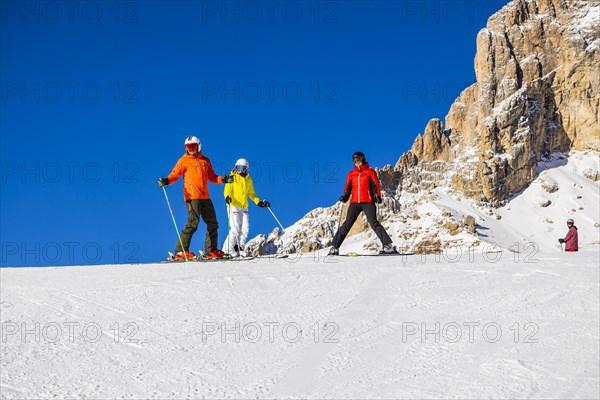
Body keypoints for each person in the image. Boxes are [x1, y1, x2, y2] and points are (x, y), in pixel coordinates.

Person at [158, 136, 234, 260]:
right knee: (193, 223)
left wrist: (224, 179)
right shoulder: (184, 160)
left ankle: (211, 250)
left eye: (193, 147)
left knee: (213, 222)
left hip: (205, 197)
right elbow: (175, 174)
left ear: (199, 146)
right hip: (192, 197)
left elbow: (212, 177)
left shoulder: (205, 161)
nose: (191, 150)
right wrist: (166, 181)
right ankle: (180, 251)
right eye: (188, 147)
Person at [329, 151, 396, 255]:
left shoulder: (370, 172)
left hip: (368, 201)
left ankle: (388, 245)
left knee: (373, 222)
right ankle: (334, 247)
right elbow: (348, 188)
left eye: (358, 160)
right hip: (355, 202)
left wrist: (377, 196)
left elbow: (375, 185)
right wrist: (345, 197)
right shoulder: (351, 174)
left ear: (363, 159)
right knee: (347, 224)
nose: (356, 162)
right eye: (354, 161)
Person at [222, 158, 270, 257]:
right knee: (235, 228)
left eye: (242, 168)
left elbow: (252, 193)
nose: (239, 169)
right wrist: (227, 197)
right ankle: (227, 249)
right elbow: (227, 189)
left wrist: (259, 202)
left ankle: (239, 247)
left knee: (245, 228)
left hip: (244, 206)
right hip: (233, 204)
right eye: (237, 167)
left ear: (246, 168)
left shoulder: (248, 179)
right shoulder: (232, 177)